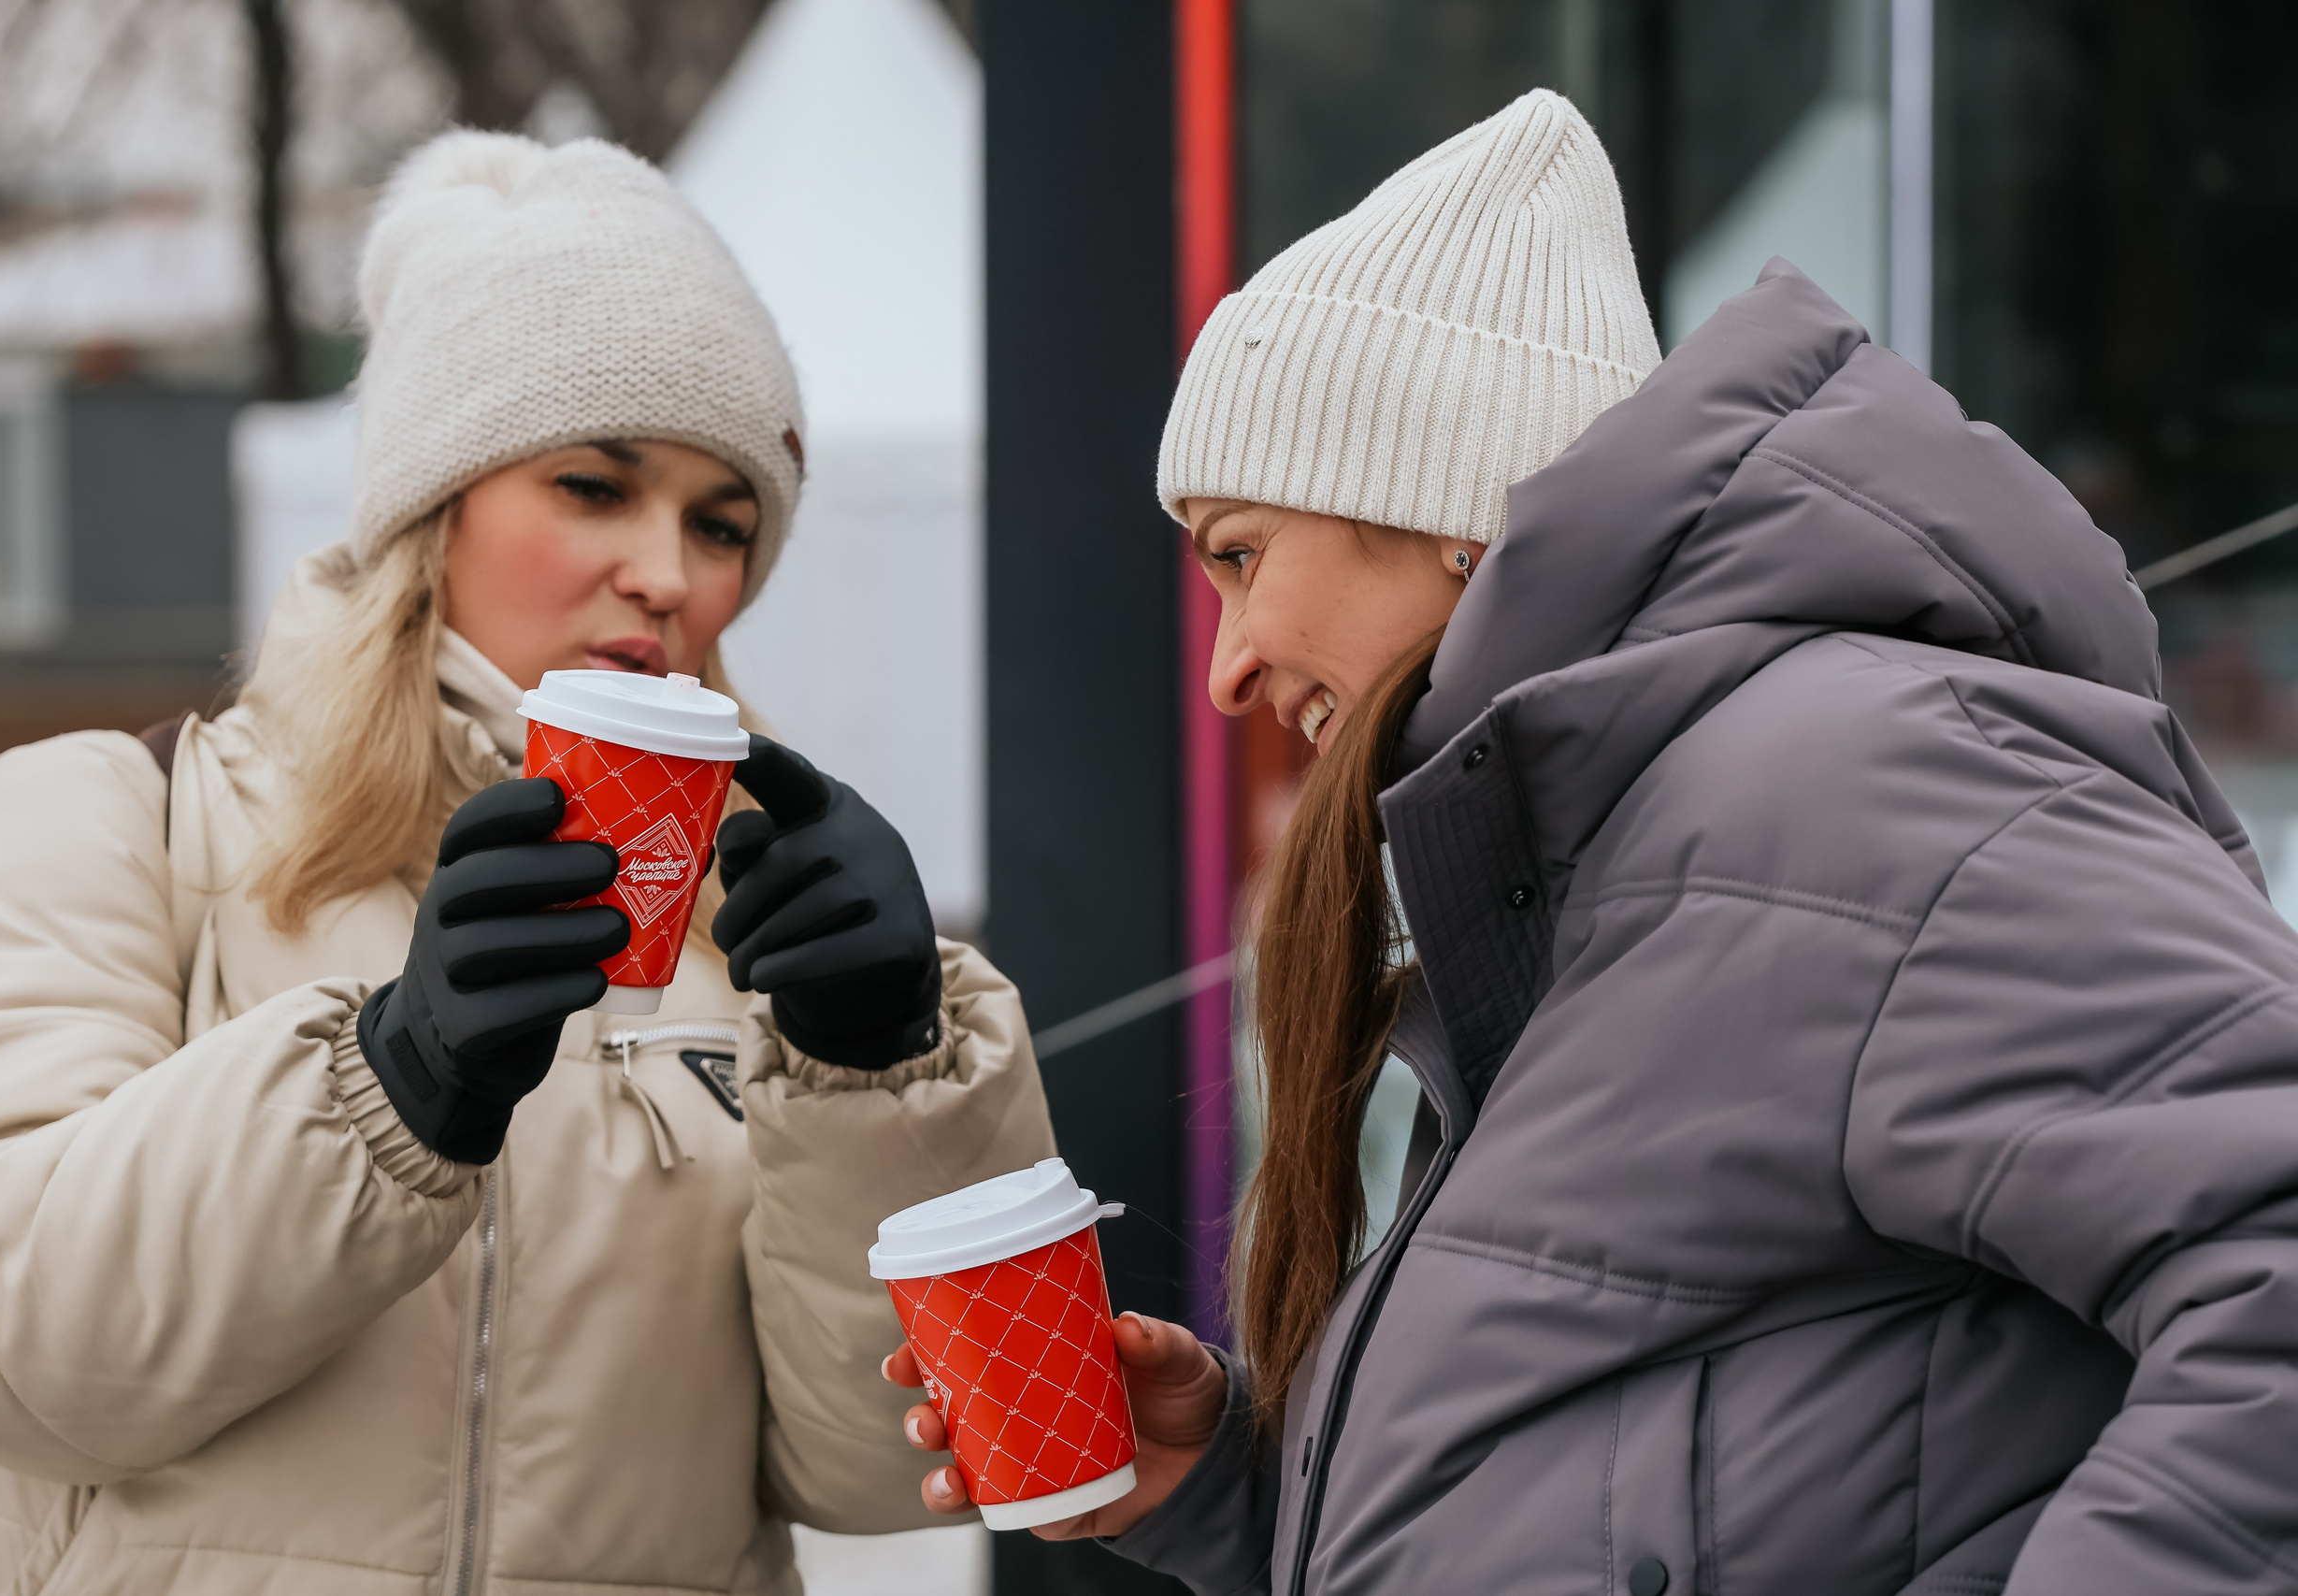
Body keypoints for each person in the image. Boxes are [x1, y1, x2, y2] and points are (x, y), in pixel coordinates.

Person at [891, 89, 2298, 1594]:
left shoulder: (1850, 780)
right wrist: (1234, 1488)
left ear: (1443, 509)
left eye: (1244, 557)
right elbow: (1672, 1475)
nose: (1231, 665)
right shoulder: (1596, 861)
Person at [0, 131, 1053, 1594]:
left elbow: (901, 1472)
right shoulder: (116, 821)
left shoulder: (761, 923)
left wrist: (883, 1080)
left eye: (725, 521)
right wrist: (390, 1082)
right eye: (594, 484)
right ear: (431, 509)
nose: (672, 572)